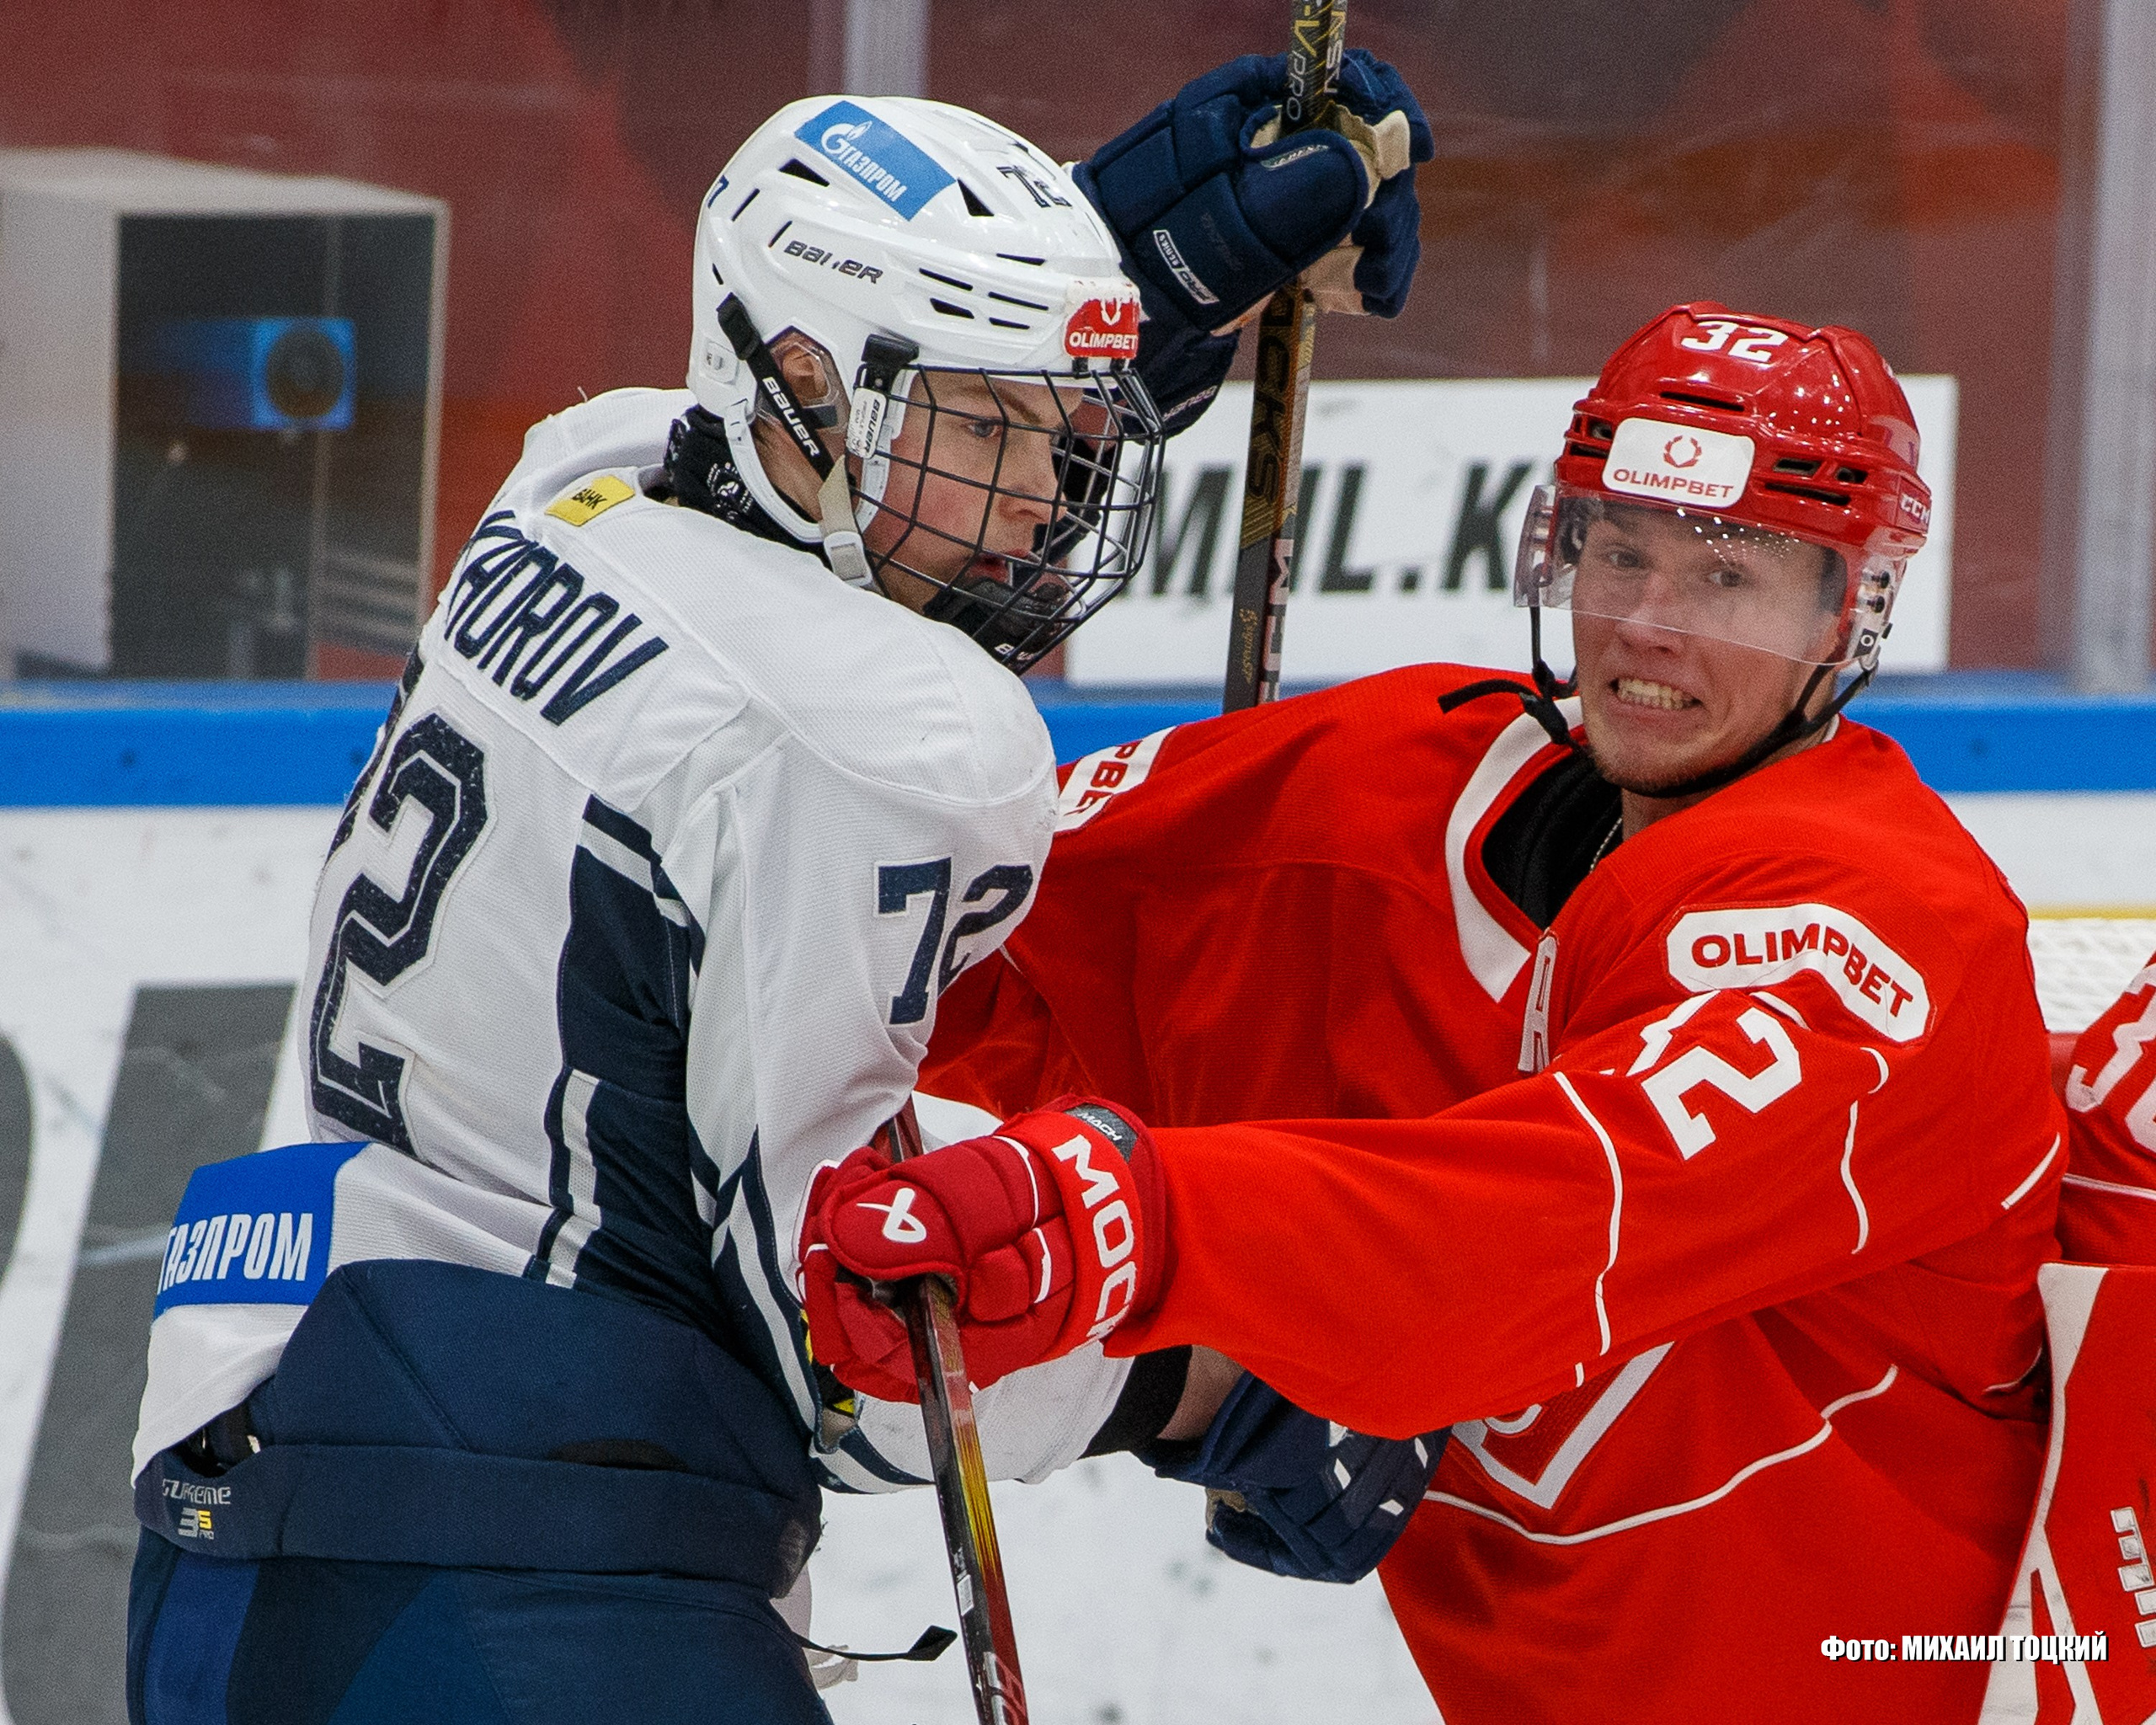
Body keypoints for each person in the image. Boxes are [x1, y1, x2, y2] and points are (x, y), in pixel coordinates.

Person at [123, 60, 1431, 1725]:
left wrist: (1130, 282)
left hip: (244, 1514)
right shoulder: (889, 736)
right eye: (990, 424)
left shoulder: (569, 491)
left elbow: (787, 502)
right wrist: (1201, 1379)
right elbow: (854, 1348)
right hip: (527, 1587)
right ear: (802, 382)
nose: (1046, 495)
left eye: (1062, 428)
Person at [802, 303, 2068, 1722]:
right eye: (1621, 553)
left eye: (1728, 576)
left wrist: (1134, 1224)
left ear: (1850, 612)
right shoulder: (1391, 784)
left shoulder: (1882, 942)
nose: (1648, 626)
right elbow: (968, 934)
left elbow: (1543, 1231)